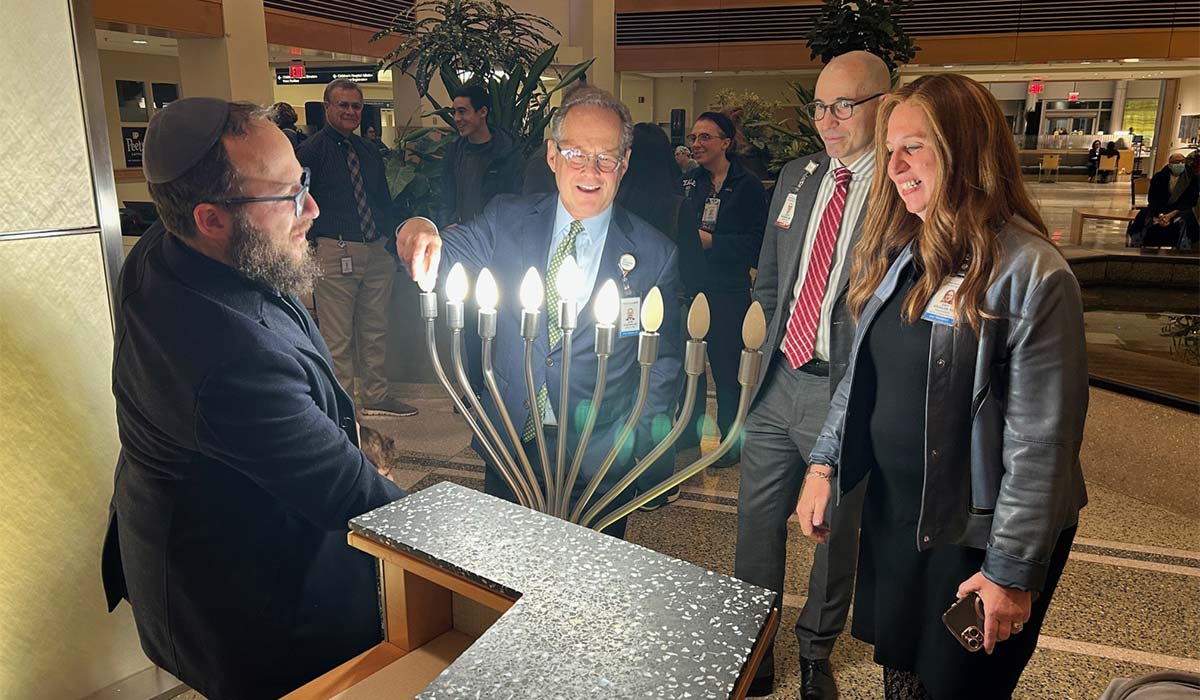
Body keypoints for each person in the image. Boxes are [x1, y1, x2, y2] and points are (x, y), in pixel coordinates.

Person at [101, 98, 406, 700]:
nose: (312, 209)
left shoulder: (173, 241)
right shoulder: (230, 358)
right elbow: (358, 500)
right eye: (289, 195)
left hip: (208, 519)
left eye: (304, 181)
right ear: (211, 219)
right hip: (244, 594)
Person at [796, 72, 1088, 700]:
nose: (894, 166)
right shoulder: (910, 251)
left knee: (959, 688)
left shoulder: (1033, 274)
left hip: (976, 535)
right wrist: (823, 465)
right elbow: (863, 377)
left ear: (965, 151)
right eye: (890, 149)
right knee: (902, 678)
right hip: (903, 518)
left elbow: (1043, 446)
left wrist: (1009, 571)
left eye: (914, 147)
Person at [396, 88, 682, 538]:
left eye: (606, 158)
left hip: (599, 461)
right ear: (552, 155)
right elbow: (444, 255)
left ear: (624, 164)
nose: (590, 171)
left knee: (591, 577)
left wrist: (635, 449)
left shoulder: (654, 254)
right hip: (511, 443)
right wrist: (418, 228)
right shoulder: (506, 219)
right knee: (505, 569)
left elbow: (663, 364)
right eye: (576, 154)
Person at [734, 50, 890, 699]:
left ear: (883, 105)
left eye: (843, 106)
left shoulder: (899, 187)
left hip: (845, 387)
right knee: (755, 520)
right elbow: (772, 278)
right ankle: (755, 649)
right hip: (781, 376)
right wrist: (770, 344)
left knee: (835, 531)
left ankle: (814, 650)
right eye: (821, 106)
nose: (827, 120)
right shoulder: (799, 176)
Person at [298, 79, 418, 417]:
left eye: (356, 106)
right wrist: (311, 244)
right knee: (337, 337)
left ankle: (376, 395)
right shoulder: (310, 152)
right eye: (343, 105)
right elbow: (299, 202)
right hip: (335, 250)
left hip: (375, 249)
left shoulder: (368, 151)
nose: (351, 112)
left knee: (375, 329)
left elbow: (382, 198)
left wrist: (388, 240)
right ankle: (342, 406)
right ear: (327, 107)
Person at [616, 122, 703, 510]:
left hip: (617, 306)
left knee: (617, 384)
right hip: (665, 310)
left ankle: (614, 470)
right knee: (658, 391)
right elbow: (693, 267)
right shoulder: (676, 205)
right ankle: (654, 483)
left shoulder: (615, 200)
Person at [679, 111, 767, 467]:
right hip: (693, 286)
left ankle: (731, 440)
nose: (696, 144)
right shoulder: (689, 182)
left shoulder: (748, 186)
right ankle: (687, 432)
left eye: (705, 137)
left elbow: (757, 244)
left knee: (728, 370)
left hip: (729, 290)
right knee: (691, 369)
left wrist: (712, 242)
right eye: (693, 137)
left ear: (726, 143)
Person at [437, 84, 524, 227]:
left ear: (482, 112)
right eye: (454, 112)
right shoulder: (454, 151)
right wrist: (447, 224)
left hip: (496, 236)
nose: (457, 118)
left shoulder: (507, 153)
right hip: (461, 234)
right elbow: (445, 198)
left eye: (462, 111)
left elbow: (517, 200)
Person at [1127, 152, 1199, 248]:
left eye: (1182, 162)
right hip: (1161, 208)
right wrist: (1161, 215)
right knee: (1142, 215)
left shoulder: (1191, 178)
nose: (1180, 164)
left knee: (1188, 219)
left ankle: (1184, 247)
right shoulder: (1159, 177)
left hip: (1179, 210)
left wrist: (1171, 215)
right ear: (1170, 164)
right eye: (1177, 162)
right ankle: (1137, 245)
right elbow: (1153, 199)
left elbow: (1191, 200)